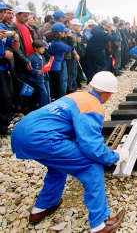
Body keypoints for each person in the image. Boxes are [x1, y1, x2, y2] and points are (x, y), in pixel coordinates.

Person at [11, 71, 127, 233]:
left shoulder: (76, 96)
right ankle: (100, 224)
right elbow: (91, 148)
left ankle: (43, 206)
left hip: (21, 132)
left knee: (58, 165)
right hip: (42, 138)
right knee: (91, 165)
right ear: (108, 94)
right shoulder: (92, 106)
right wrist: (116, 156)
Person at [0, 0, 20, 134]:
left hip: (2, 68)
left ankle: (3, 127)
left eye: (3, 11)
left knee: (6, 97)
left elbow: (14, 47)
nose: (2, 14)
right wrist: (3, 54)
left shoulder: (2, 27)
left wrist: (16, 39)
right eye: (0, 12)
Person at [45, 23, 72, 100]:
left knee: (52, 85)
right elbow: (69, 49)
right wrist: (69, 37)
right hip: (55, 65)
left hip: (50, 64)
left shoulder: (48, 37)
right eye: (64, 32)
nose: (65, 33)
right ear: (60, 32)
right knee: (57, 86)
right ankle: (57, 100)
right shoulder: (57, 43)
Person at [27, 40, 52, 108]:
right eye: (41, 48)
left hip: (45, 76)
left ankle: (48, 105)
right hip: (38, 78)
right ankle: (43, 107)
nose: (43, 50)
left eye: (43, 48)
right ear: (35, 48)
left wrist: (49, 62)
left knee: (47, 92)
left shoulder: (42, 57)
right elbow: (30, 69)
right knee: (43, 93)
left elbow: (45, 66)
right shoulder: (31, 57)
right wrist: (36, 71)